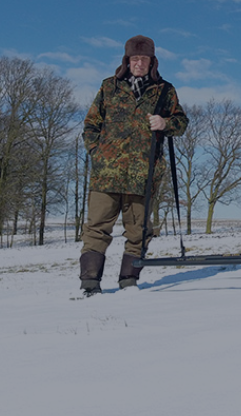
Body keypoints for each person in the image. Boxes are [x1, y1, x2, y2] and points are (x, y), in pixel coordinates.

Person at [79, 35, 189, 295]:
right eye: (134, 58)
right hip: (106, 175)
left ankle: (128, 282)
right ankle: (90, 284)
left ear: (152, 61)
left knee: (139, 231)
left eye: (144, 59)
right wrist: (97, 152)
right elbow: (91, 123)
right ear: (127, 60)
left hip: (143, 175)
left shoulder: (165, 90)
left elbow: (181, 123)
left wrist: (165, 123)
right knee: (96, 229)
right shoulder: (109, 87)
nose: (139, 63)